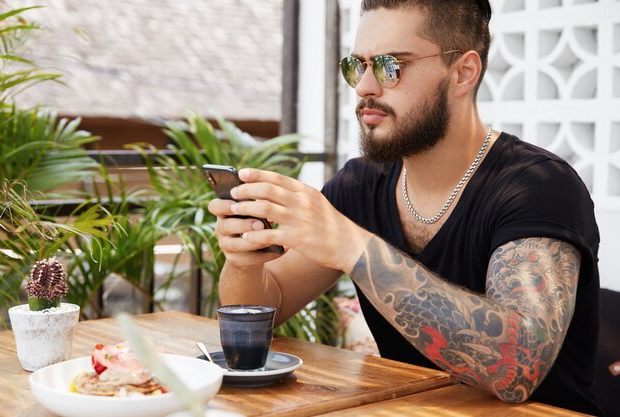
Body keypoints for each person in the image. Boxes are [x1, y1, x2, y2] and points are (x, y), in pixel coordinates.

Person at [208, 0, 602, 415]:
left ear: (463, 72)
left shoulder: (539, 186)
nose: (364, 88)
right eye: (356, 66)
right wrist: (244, 262)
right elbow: (271, 305)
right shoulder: (359, 185)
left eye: (390, 66)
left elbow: (518, 367)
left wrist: (351, 245)